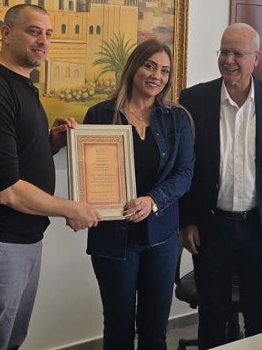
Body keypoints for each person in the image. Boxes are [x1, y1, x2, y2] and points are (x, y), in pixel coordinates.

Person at [0, 3, 101, 350]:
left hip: (21, 238)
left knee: (10, 339)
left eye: (48, 34)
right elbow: (6, 190)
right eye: (33, 31)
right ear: (6, 33)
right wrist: (70, 208)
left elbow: (16, 157)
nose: (43, 40)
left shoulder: (22, 85)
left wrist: (52, 142)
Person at [179, 23, 262, 349]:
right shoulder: (195, 99)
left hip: (260, 226)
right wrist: (187, 220)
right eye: (224, 51)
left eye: (238, 53)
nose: (229, 60)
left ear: (256, 58)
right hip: (211, 225)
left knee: (260, 312)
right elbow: (186, 167)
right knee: (212, 312)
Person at [83, 39, 194, 350]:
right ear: (134, 67)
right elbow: (88, 174)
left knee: (154, 329)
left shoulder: (177, 118)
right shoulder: (100, 114)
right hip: (114, 238)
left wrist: (153, 200)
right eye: (150, 66)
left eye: (164, 71)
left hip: (162, 238)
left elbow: (185, 173)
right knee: (118, 327)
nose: (157, 75)